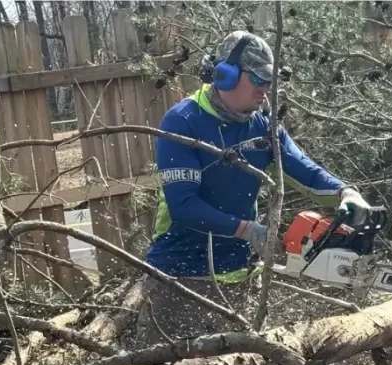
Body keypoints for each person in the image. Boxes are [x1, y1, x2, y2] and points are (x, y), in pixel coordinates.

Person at [135, 30, 372, 347]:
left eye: (269, 82)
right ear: (226, 75)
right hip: (179, 277)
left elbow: (307, 173)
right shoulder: (183, 121)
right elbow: (184, 206)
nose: (265, 89)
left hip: (237, 278)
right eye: (258, 79)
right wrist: (248, 230)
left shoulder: (263, 126)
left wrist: (346, 193)